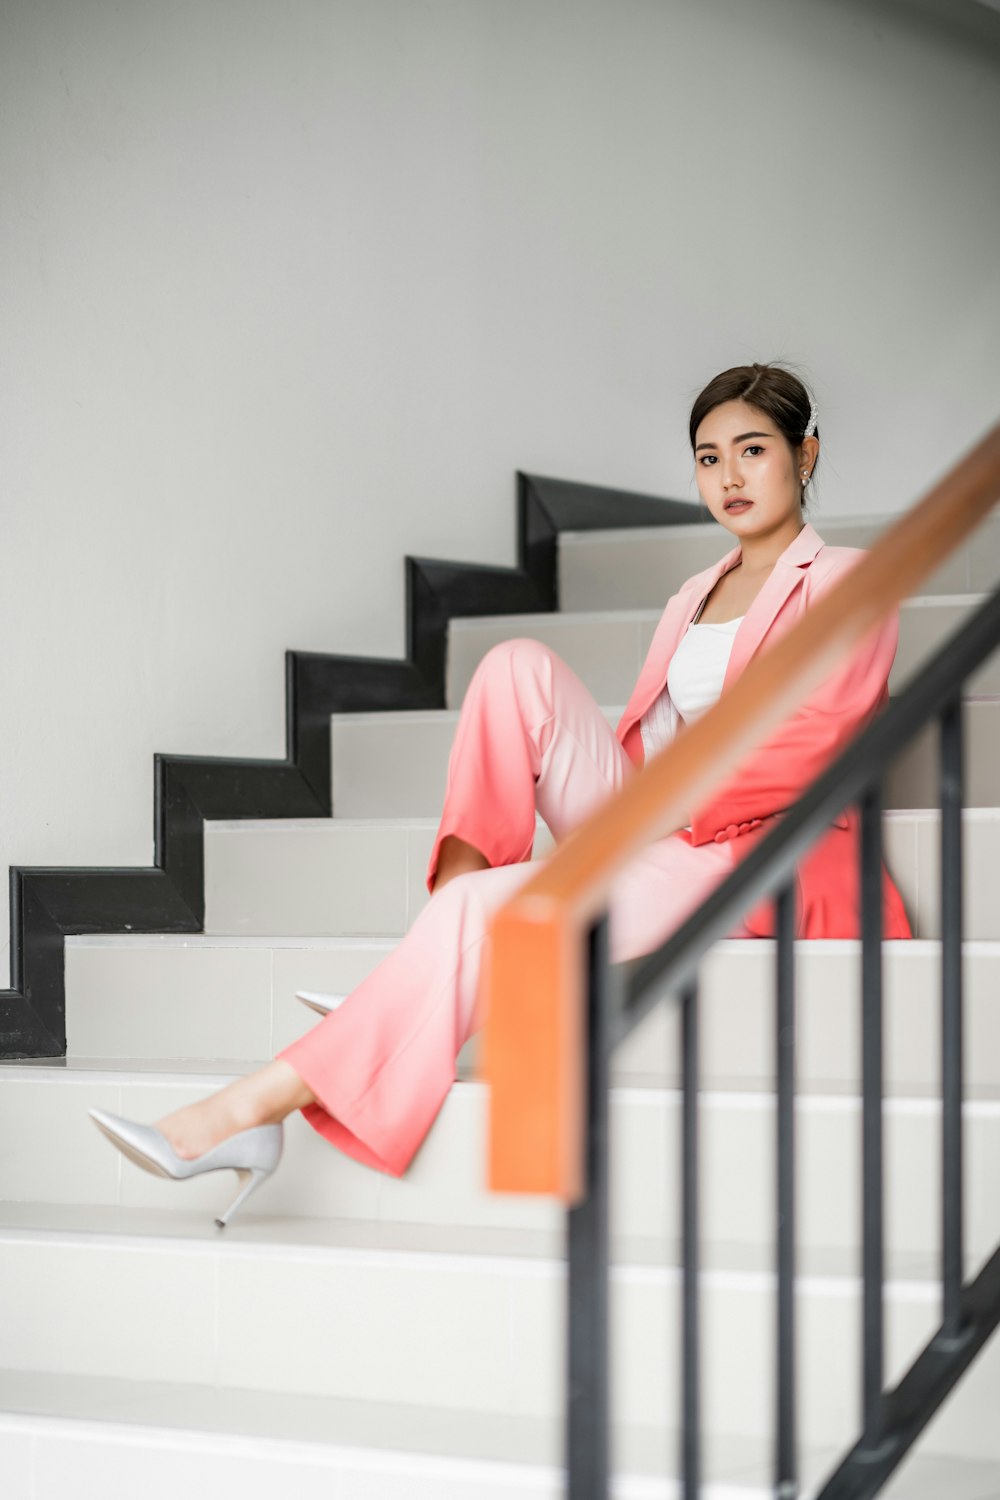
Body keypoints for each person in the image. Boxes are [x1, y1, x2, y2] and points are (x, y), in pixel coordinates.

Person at [89, 361, 912, 1226]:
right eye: (709, 459)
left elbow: (818, 738)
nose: (730, 477)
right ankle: (425, 963)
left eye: (753, 450)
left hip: (757, 846)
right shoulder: (690, 596)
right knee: (514, 667)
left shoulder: (846, 579)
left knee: (493, 911)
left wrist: (672, 804)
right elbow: (657, 734)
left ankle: (242, 1115)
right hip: (661, 821)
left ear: (804, 454)